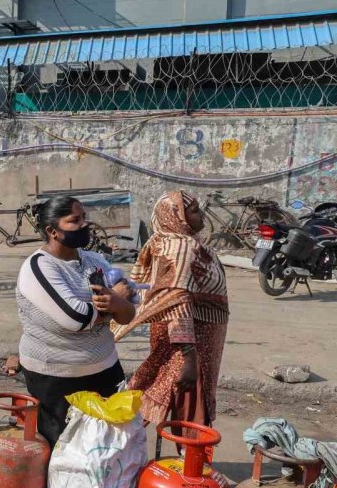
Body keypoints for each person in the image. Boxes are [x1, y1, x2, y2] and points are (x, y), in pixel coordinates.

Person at [14, 196, 136, 447]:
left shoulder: (95, 261)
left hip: (105, 369)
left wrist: (119, 304)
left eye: (84, 218)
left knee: (106, 447)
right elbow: (75, 318)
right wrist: (113, 304)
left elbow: (127, 315)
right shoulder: (39, 266)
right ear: (52, 231)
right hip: (57, 377)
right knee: (64, 451)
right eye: (74, 220)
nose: (85, 225)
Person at [113, 191, 229, 427]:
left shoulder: (171, 241)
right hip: (191, 341)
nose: (201, 214)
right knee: (188, 405)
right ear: (177, 216)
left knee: (160, 388)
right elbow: (177, 302)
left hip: (195, 338)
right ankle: (188, 460)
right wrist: (189, 357)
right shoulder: (180, 247)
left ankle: (123, 446)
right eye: (194, 210)